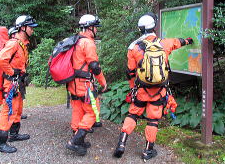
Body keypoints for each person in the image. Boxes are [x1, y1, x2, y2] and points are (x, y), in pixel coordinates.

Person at [113, 12, 193, 161]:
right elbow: (178, 42)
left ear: (140, 29)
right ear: (153, 27)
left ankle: (121, 144)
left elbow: (130, 72)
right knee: (153, 120)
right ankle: (148, 151)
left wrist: (133, 89)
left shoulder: (134, 48)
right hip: (159, 91)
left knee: (132, 115)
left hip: (141, 90)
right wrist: (188, 41)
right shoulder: (164, 43)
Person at [66, 14, 108, 156]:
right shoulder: (88, 43)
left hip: (73, 83)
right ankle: (76, 141)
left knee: (78, 109)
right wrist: (103, 82)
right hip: (84, 84)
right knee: (92, 111)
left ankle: (79, 138)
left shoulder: (75, 40)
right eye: (95, 27)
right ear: (90, 28)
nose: (96, 30)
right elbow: (95, 66)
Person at [0, 15, 38, 153]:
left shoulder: (22, 44)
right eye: (30, 27)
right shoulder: (14, 43)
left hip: (18, 82)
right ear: (23, 28)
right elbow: (2, 60)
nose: (32, 30)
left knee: (18, 108)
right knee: (8, 110)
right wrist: (12, 72)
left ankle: (14, 134)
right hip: (11, 82)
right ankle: (1, 143)